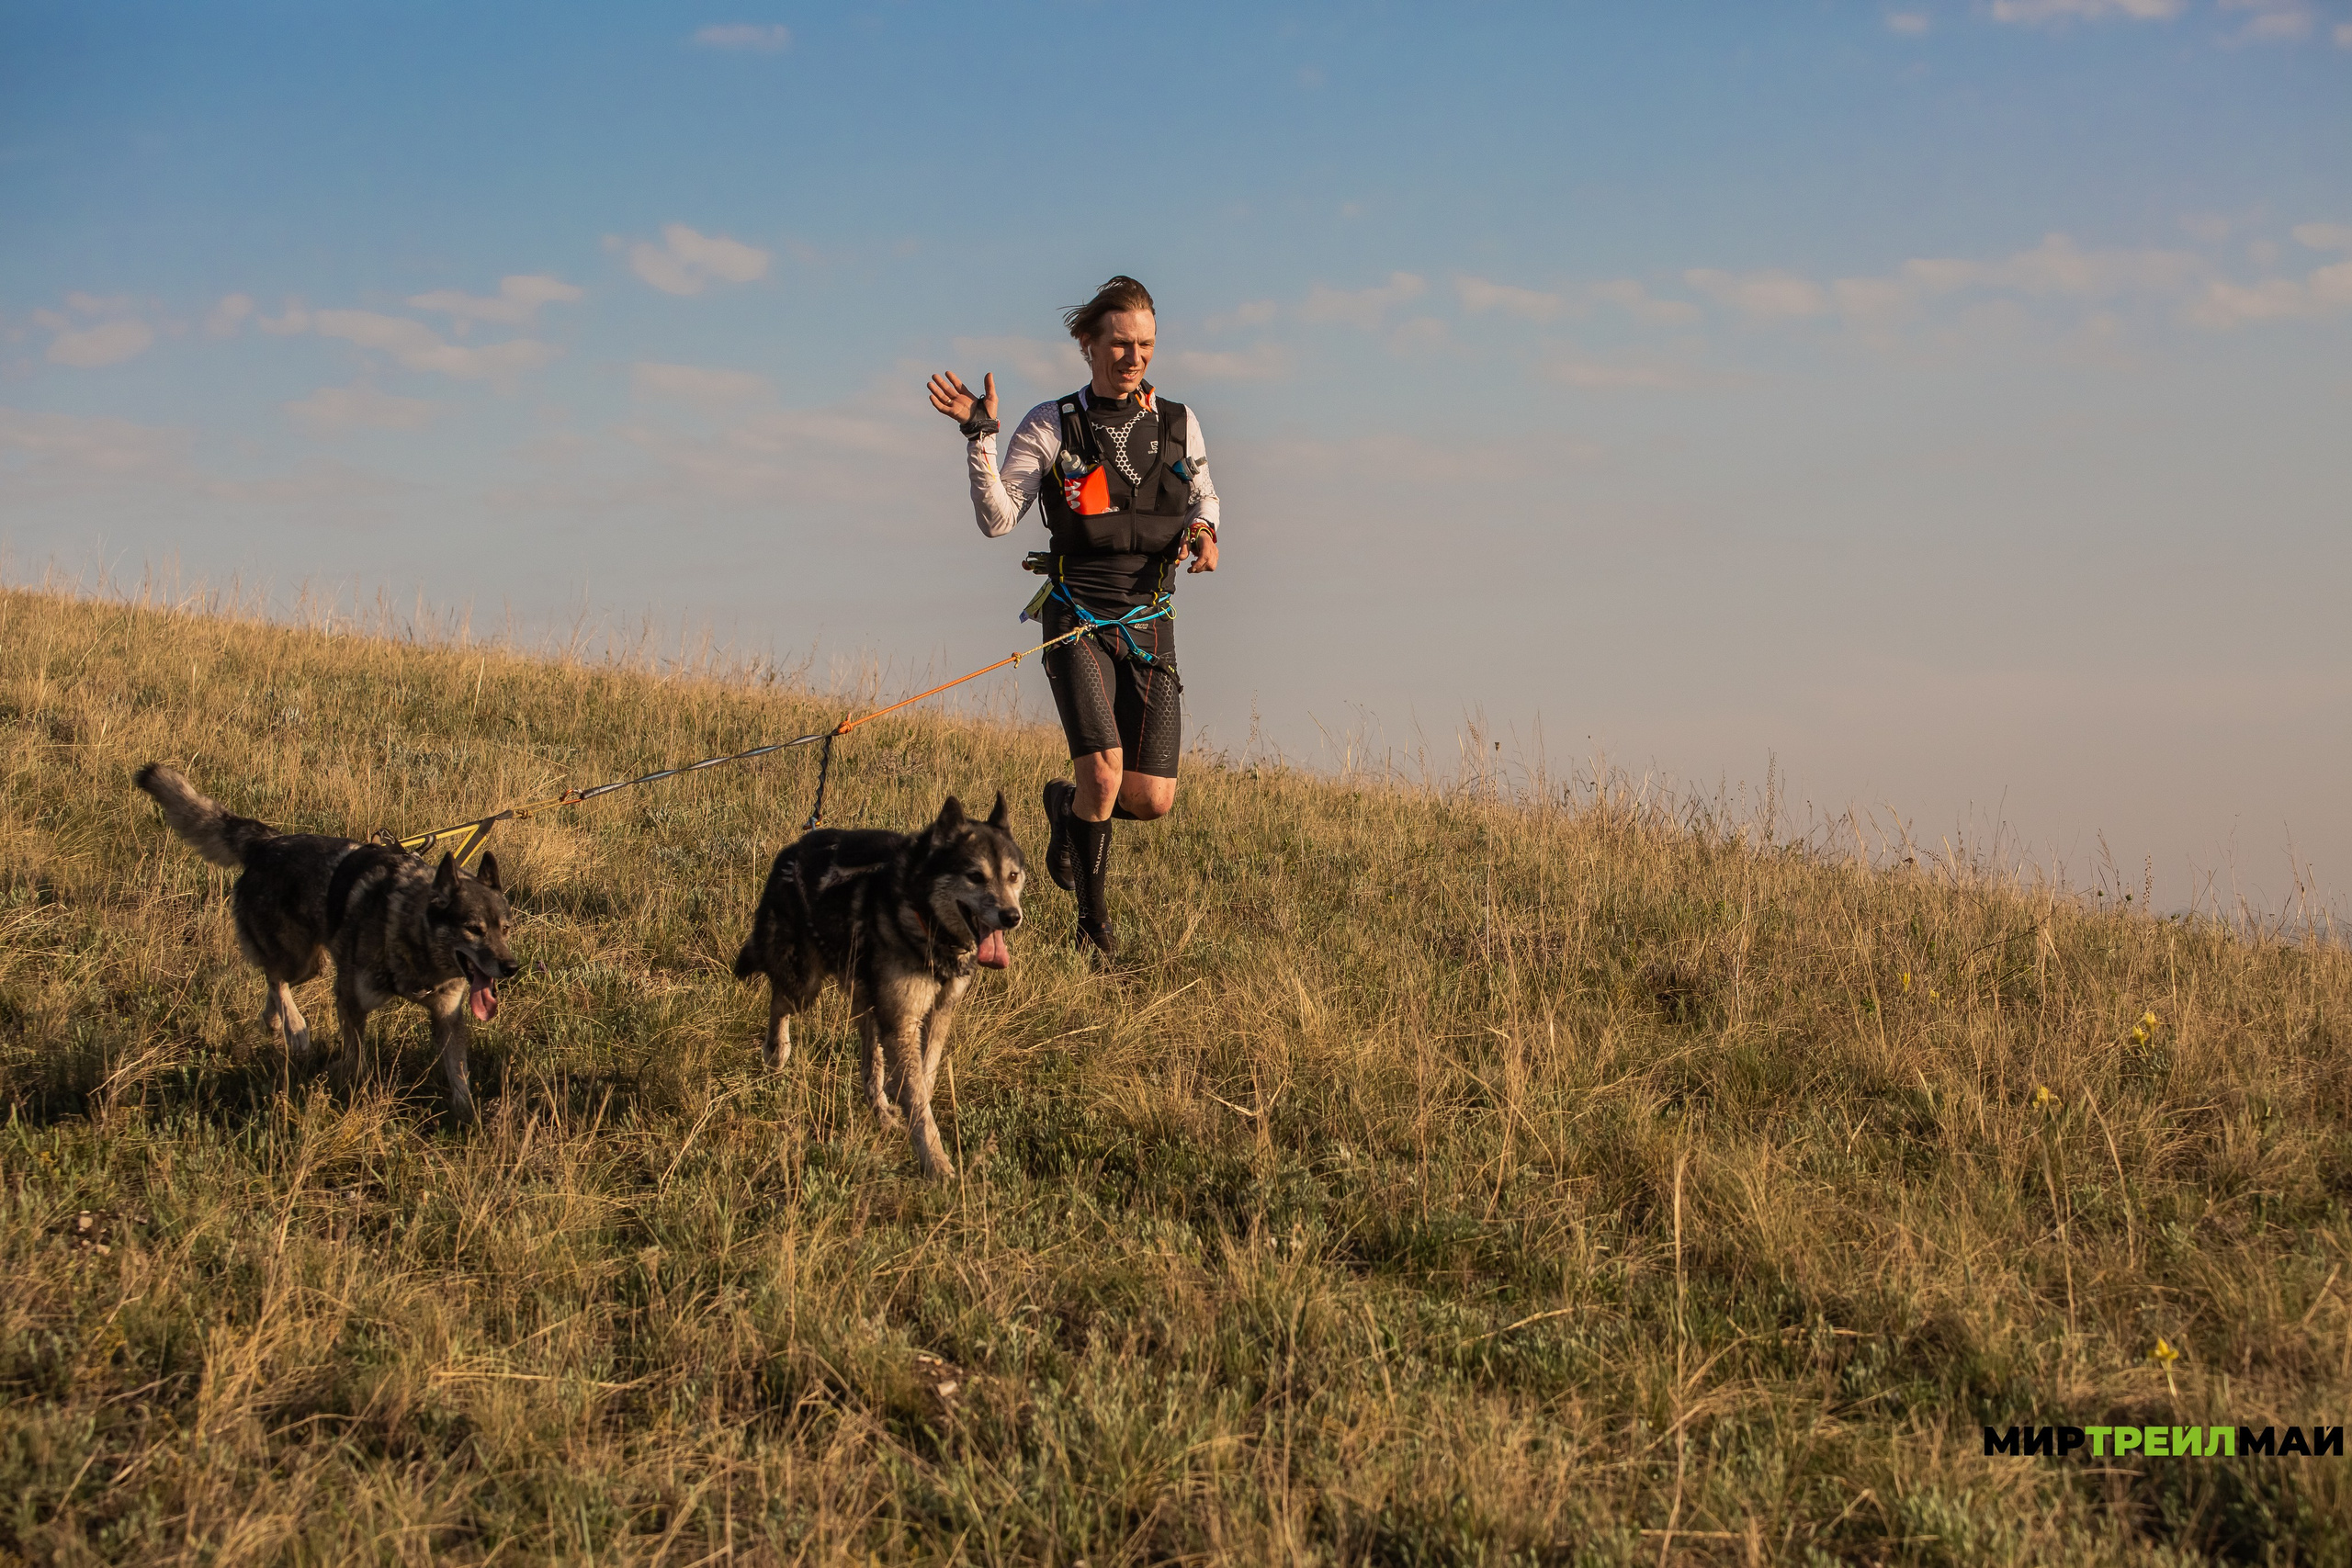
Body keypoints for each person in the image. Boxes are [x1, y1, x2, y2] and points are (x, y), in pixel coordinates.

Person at [925, 276, 1221, 957]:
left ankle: (1065, 810)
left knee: (1150, 798)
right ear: (1087, 343)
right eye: (1119, 343)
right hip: (1076, 616)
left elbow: (1205, 496)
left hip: (1151, 623)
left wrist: (1206, 532)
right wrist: (980, 434)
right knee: (1106, 775)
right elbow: (999, 518)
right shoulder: (1052, 423)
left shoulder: (1179, 422)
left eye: (1145, 344)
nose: (1134, 356)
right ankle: (1094, 931)